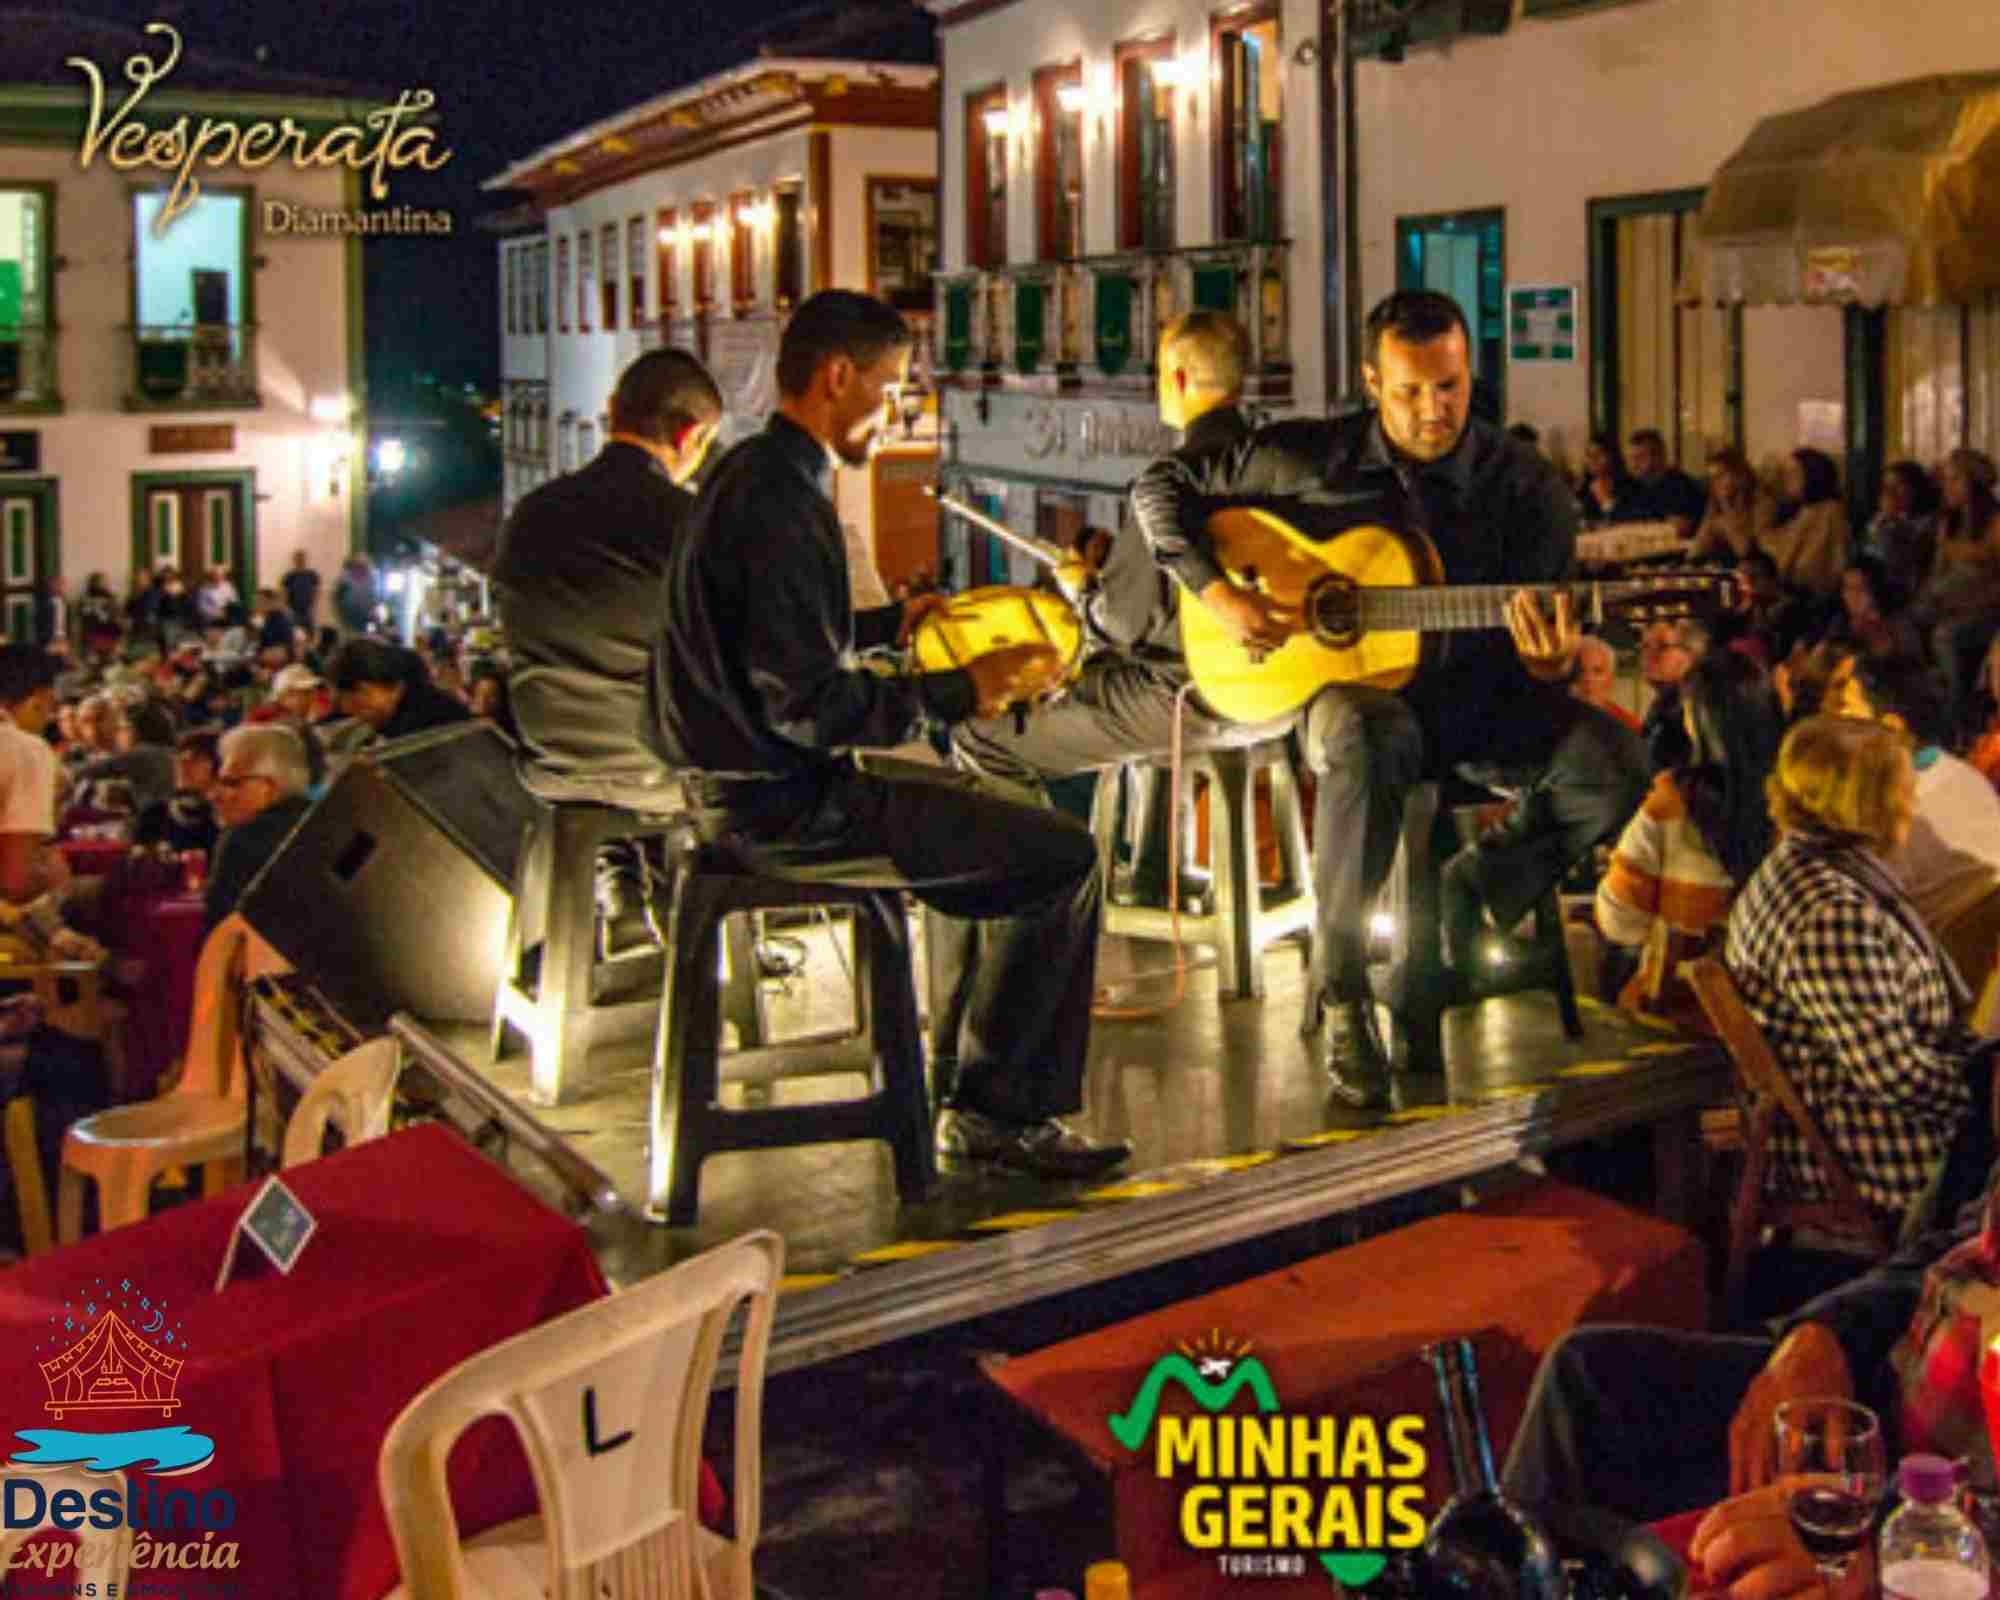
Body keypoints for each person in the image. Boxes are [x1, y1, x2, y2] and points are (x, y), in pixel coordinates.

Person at [1106, 289, 1647, 1102]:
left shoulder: (1527, 486)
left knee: (1615, 761)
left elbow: (1544, 644)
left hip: (1480, 702)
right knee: (1371, 730)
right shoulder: (1306, 457)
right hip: (1350, 703)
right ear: (1371, 382)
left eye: (1451, 387)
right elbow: (1159, 493)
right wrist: (1218, 595)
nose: (1435, 410)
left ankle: (1482, 883)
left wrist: (1550, 665)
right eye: (1410, 391)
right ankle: (1346, 987)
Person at [648, 289, 1130, 1180]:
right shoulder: (784, 503)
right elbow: (806, 709)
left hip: (740, 790)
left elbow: (775, 648)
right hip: (783, 809)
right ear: (837, 378)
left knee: (995, 820)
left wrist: (890, 629)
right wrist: (960, 690)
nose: (895, 412)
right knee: (1064, 857)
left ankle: (964, 1083)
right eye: (890, 389)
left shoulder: (750, 475)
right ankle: (997, 1113)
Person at [951, 311, 1293, 887]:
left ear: (1179, 380)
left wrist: (1081, 587)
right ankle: (1160, 868)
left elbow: (1122, 622)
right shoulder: (1278, 468)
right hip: (1276, 699)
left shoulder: (1170, 480)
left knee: (980, 736)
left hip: (1191, 701)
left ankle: (1036, 898)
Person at [495, 347, 723, 954]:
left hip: (552, 761)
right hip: (660, 773)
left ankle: (622, 887)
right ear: (689, 433)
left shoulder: (531, 514)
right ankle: (699, 942)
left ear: (611, 413)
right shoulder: (689, 520)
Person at [1726, 715, 1986, 1225]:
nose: (1913, 805)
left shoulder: (1815, 868)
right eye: (1904, 791)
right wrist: (1987, 1097)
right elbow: (1892, 1076)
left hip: (1875, 1123)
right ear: (1871, 804)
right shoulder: (1828, 911)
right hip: (1880, 1149)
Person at [1595, 649, 1780, 1028]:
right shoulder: (1795, 801)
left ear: (1696, 721)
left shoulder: (1672, 803)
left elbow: (1618, 919)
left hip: (1682, 1015)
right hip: (1770, 1017)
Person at [1833, 652, 2000, 1007]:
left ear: (1892, 726)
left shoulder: (1894, 813)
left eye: (1849, 707)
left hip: (1927, 995)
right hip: (1978, 985)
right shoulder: (1964, 776)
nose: (1838, 717)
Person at [203, 725, 312, 934]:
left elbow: (221, 933)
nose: (215, 795)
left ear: (269, 786)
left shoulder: (243, 839)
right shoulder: (325, 823)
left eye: (231, 783)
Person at [1762, 447, 1849, 598]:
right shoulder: (1800, 511)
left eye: (1794, 473)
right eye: (1786, 473)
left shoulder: (1829, 513)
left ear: (1812, 475)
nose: (1786, 478)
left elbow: (1807, 569)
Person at [133, 728, 221, 855]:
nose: (183, 765)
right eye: (180, 758)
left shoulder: (224, 820)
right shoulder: (154, 815)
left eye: (196, 758)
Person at [1636, 615, 1706, 774]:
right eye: (1645, 646)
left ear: (1691, 655)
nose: (1649, 655)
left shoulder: (1693, 710)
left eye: (1662, 647)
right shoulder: (1661, 705)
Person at [1688, 447, 1776, 563]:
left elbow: (1745, 552)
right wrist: (1711, 513)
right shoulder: (1718, 502)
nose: (1715, 482)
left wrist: (1725, 508)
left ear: (1738, 475)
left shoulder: (1762, 501)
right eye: (1712, 478)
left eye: (1720, 476)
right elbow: (1695, 552)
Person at [1862, 458, 1940, 585]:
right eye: (1887, 486)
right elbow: (1870, 553)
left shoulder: (1929, 521)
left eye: (1898, 485)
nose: (1890, 492)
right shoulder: (1883, 518)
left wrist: (1892, 522)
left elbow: (1904, 558)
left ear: (1915, 488)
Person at [1624, 428, 1707, 536]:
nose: (1633, 465)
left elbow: (1680, 529)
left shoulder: (1681, 485)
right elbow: (1618, 523)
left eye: (1638, 458)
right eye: (1631, 459)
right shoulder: (1632, 487)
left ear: (1657, 456)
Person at [1570, 634, 1639, 732]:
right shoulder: (1552, 721)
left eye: (1597, 671)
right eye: (1581, 670)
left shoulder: (1628, 725)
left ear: (1610, 679)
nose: (1588, 679)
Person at [1575, 434, 1635, 528]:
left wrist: (1605, 501)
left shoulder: (1629, 486)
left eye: (1599, 454)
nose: (1593, 459)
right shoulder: (1583, 488)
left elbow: (1624, 521)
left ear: (1613, 456)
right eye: (1589, 455)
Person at [281, 550, 321, 632]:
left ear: (305, 559)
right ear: (294, 560)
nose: (300, 560)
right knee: (295, 632)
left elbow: (316, 591)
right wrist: (286, 607)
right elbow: (284, 592)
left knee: (309, 631)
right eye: (298, 558)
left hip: (307, 609)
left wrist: (313, 604)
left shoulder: (312, 575)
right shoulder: (289, 575)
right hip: (293, 609)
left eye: (302, 558)